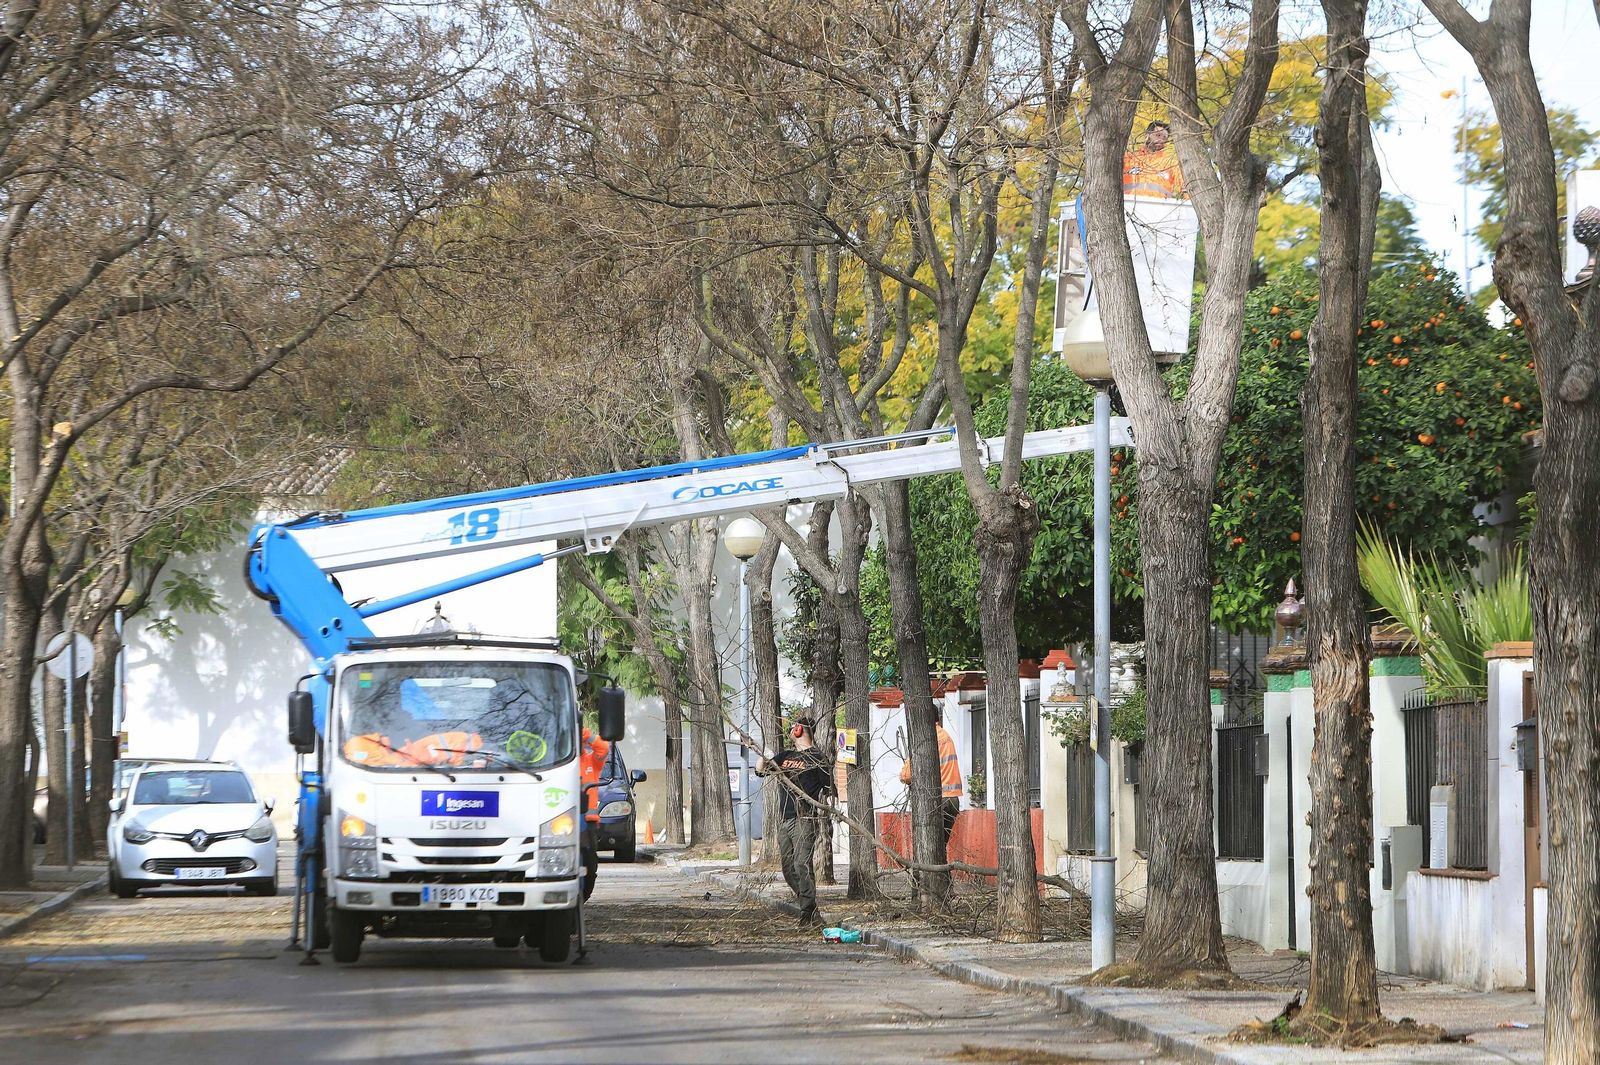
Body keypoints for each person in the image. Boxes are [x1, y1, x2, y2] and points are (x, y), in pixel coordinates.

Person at [755, 714, 832, 924]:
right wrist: (764, 755)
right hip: (785, 818)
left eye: (793, 728)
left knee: (801, 864)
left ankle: (807, 912)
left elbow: (829, 788)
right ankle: (811, 909)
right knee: (788, 869)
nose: (791, 731)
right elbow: (760, 772)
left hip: (804, 817)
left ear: (799, 730)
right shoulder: (785, 756)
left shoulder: (818, 757)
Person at [899, 710, 964, 860]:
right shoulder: (946, 737)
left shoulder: (926, 739)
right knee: (941, 848)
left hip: (936, 800)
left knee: (930, 851)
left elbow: (907, 775)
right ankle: (944, 881)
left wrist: (904, 775)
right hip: (952, 800)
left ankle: (931, 882)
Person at [578, 727, 611, 900]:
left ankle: (583, 897)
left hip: (587, 822)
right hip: (560, 820)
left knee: (590, 864)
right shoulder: (557, 764)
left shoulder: (592, 761)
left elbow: (603, 748)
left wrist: (585, 734)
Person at [1122, 120, 1184, 199]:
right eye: (1158, 135)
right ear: (1147, 135)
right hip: (1127, 206)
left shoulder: (1171, 164)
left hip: (1159, 208)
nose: (1161, 140)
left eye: (1165, 137)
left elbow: (1187, 188)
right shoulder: (1128, 159)